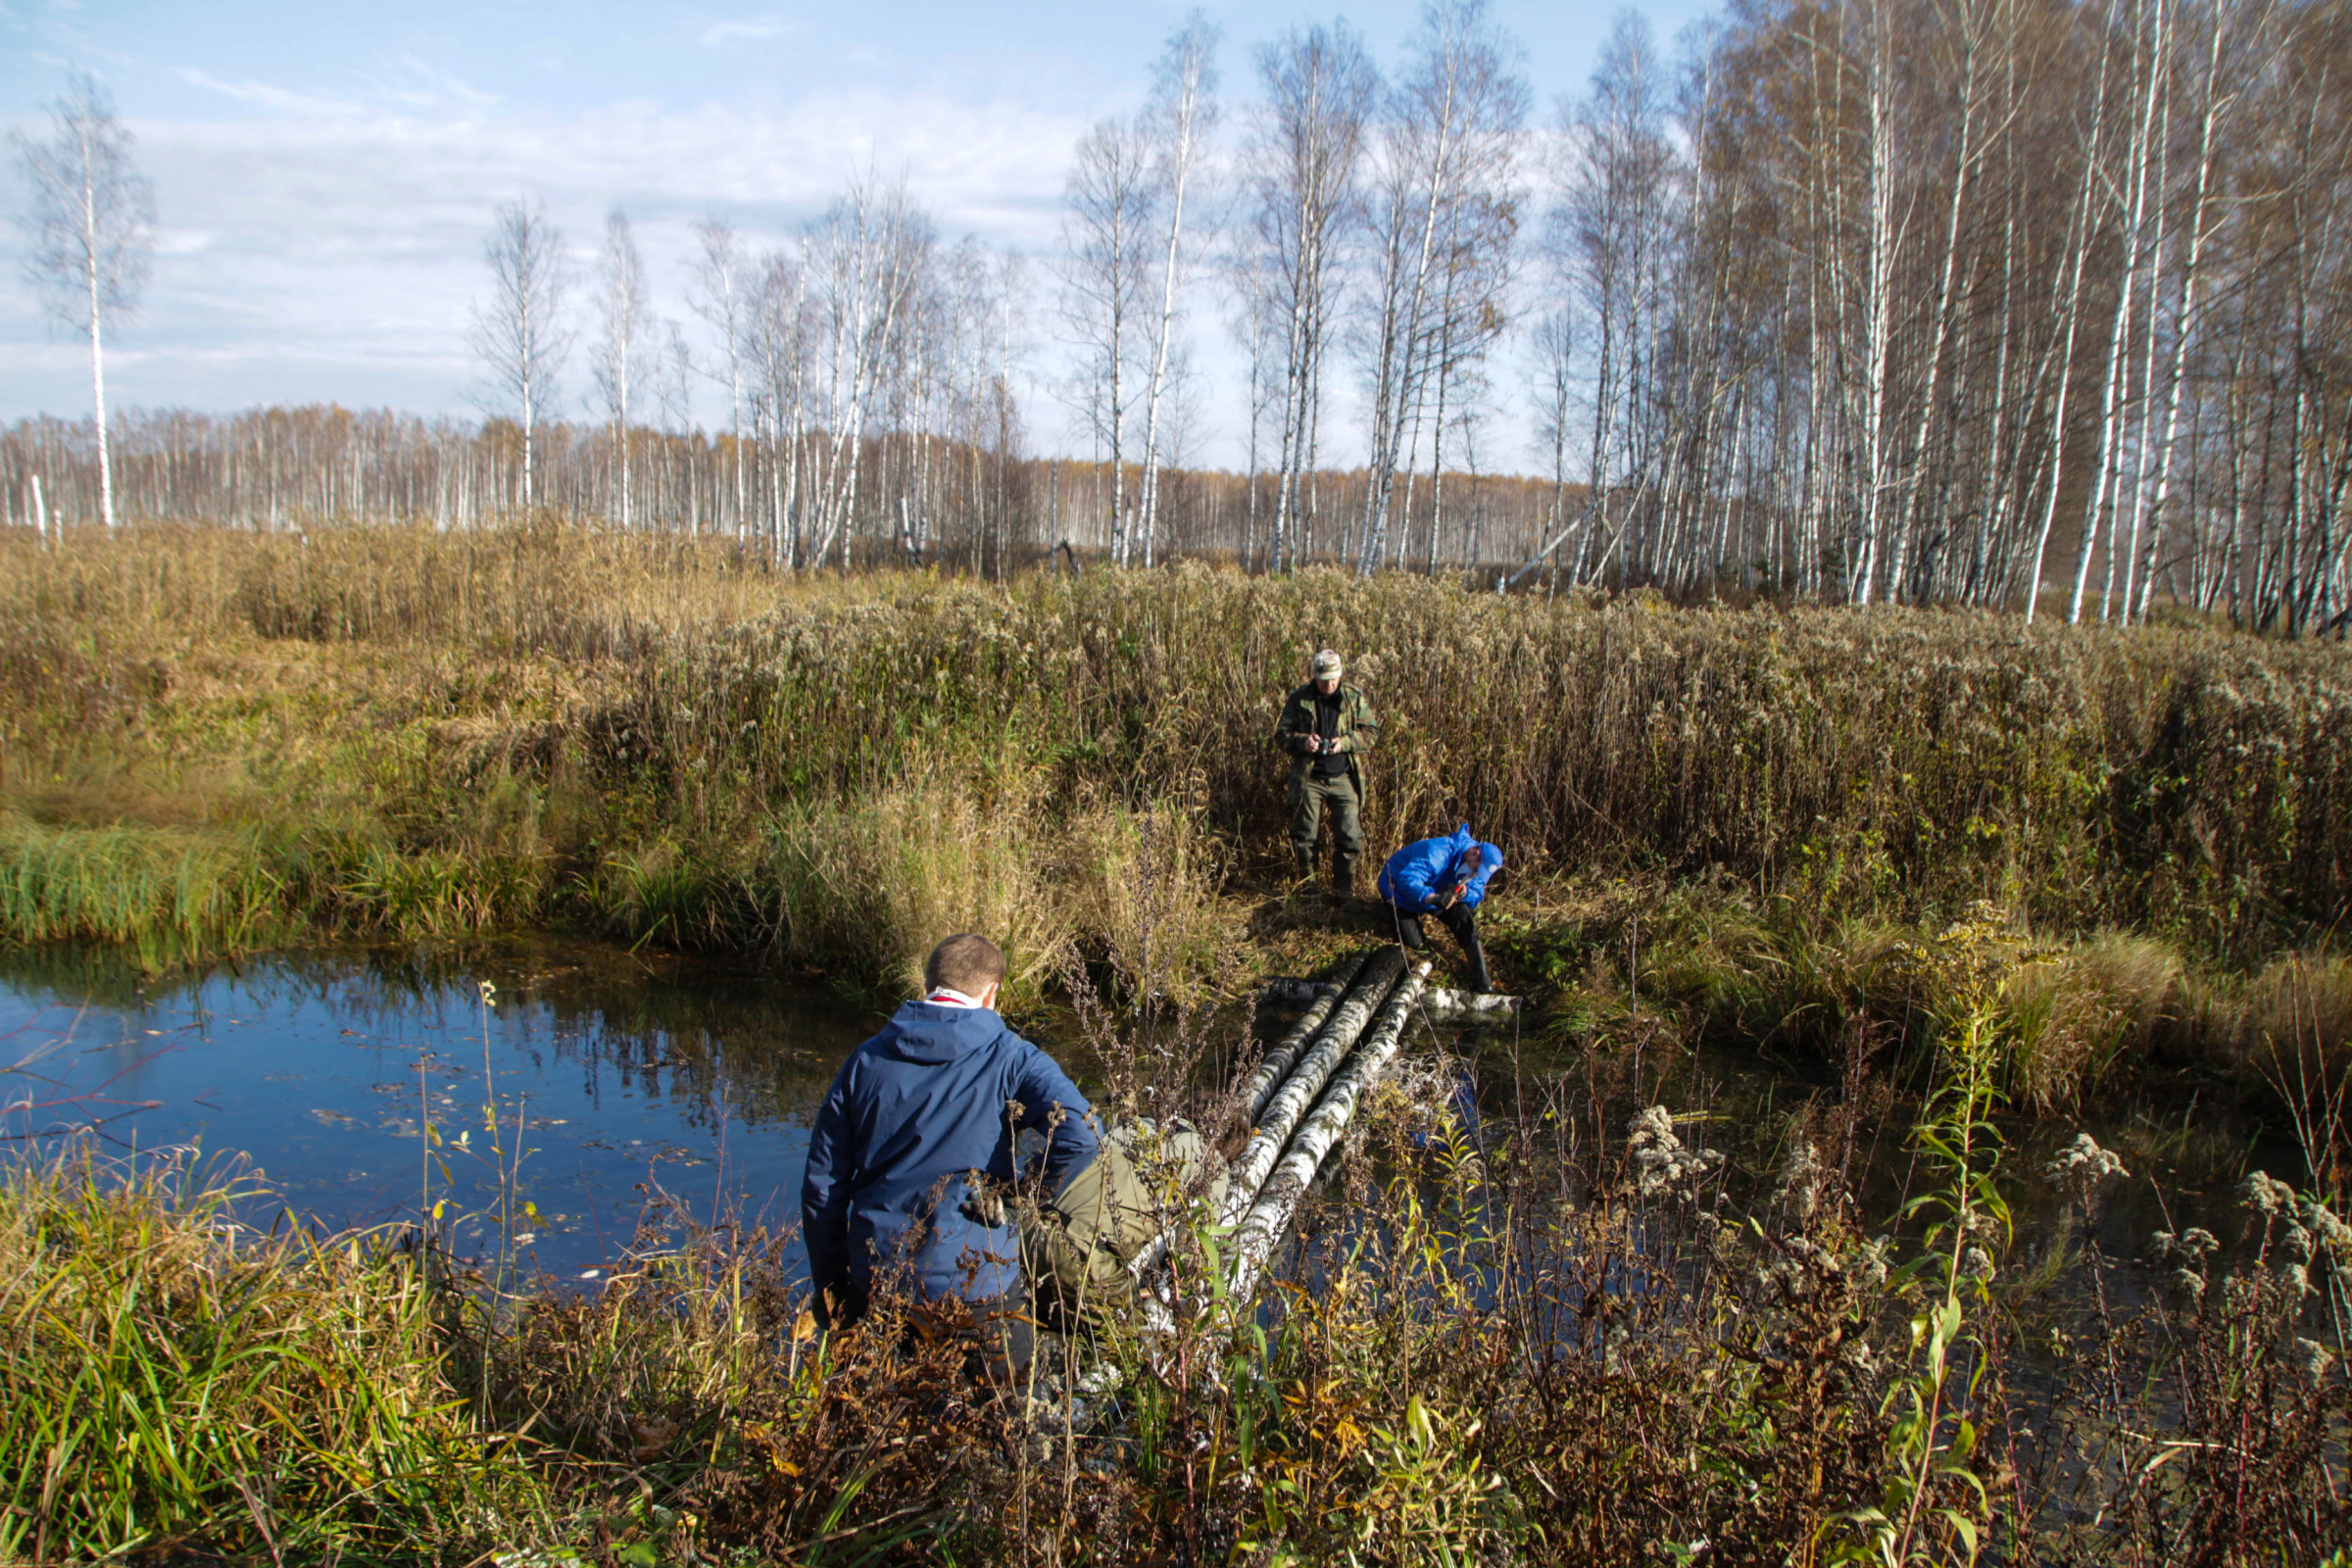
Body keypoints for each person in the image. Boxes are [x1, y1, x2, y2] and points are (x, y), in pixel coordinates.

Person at [800, 933, 1098, 1358]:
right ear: (992, 991)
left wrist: (832, 1291)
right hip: (977, 1285)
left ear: (926, 983)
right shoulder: (1013, 1057)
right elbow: (1083, 1135)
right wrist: (1017, 1195)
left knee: (881, 1418)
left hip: (880, 1282)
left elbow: (822, 1189)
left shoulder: (864, 1062)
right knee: (1001, 1420)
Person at [1274, 648, 1381, 901]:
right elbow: (1281, 735)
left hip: (1344, 777)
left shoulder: (1353, 698)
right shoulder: (1300, 698)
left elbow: (1372, 732)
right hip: (1309, 778)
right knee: (1305, 837)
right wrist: (1303, 742)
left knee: (1350, 837)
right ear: (1315, 675)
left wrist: (1344, 742)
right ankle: (1309, 893)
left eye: (1333, 678)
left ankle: (1343, 894)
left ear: (1341, 673)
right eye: (1323, 680)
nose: (1328, 684)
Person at [1376, 824, 1502, 995]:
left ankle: (1481, 978)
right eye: (1476, 869)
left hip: (1437, 891)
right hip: (1399, 891)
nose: (1475, 874)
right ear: (1475, 853)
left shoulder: (1475, 868)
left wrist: (1464, 893)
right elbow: (1407, 881)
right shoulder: (1439, 851)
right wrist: (1433, 898)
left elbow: (1477, 893)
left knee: (1462, 916)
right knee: (1414, 943)